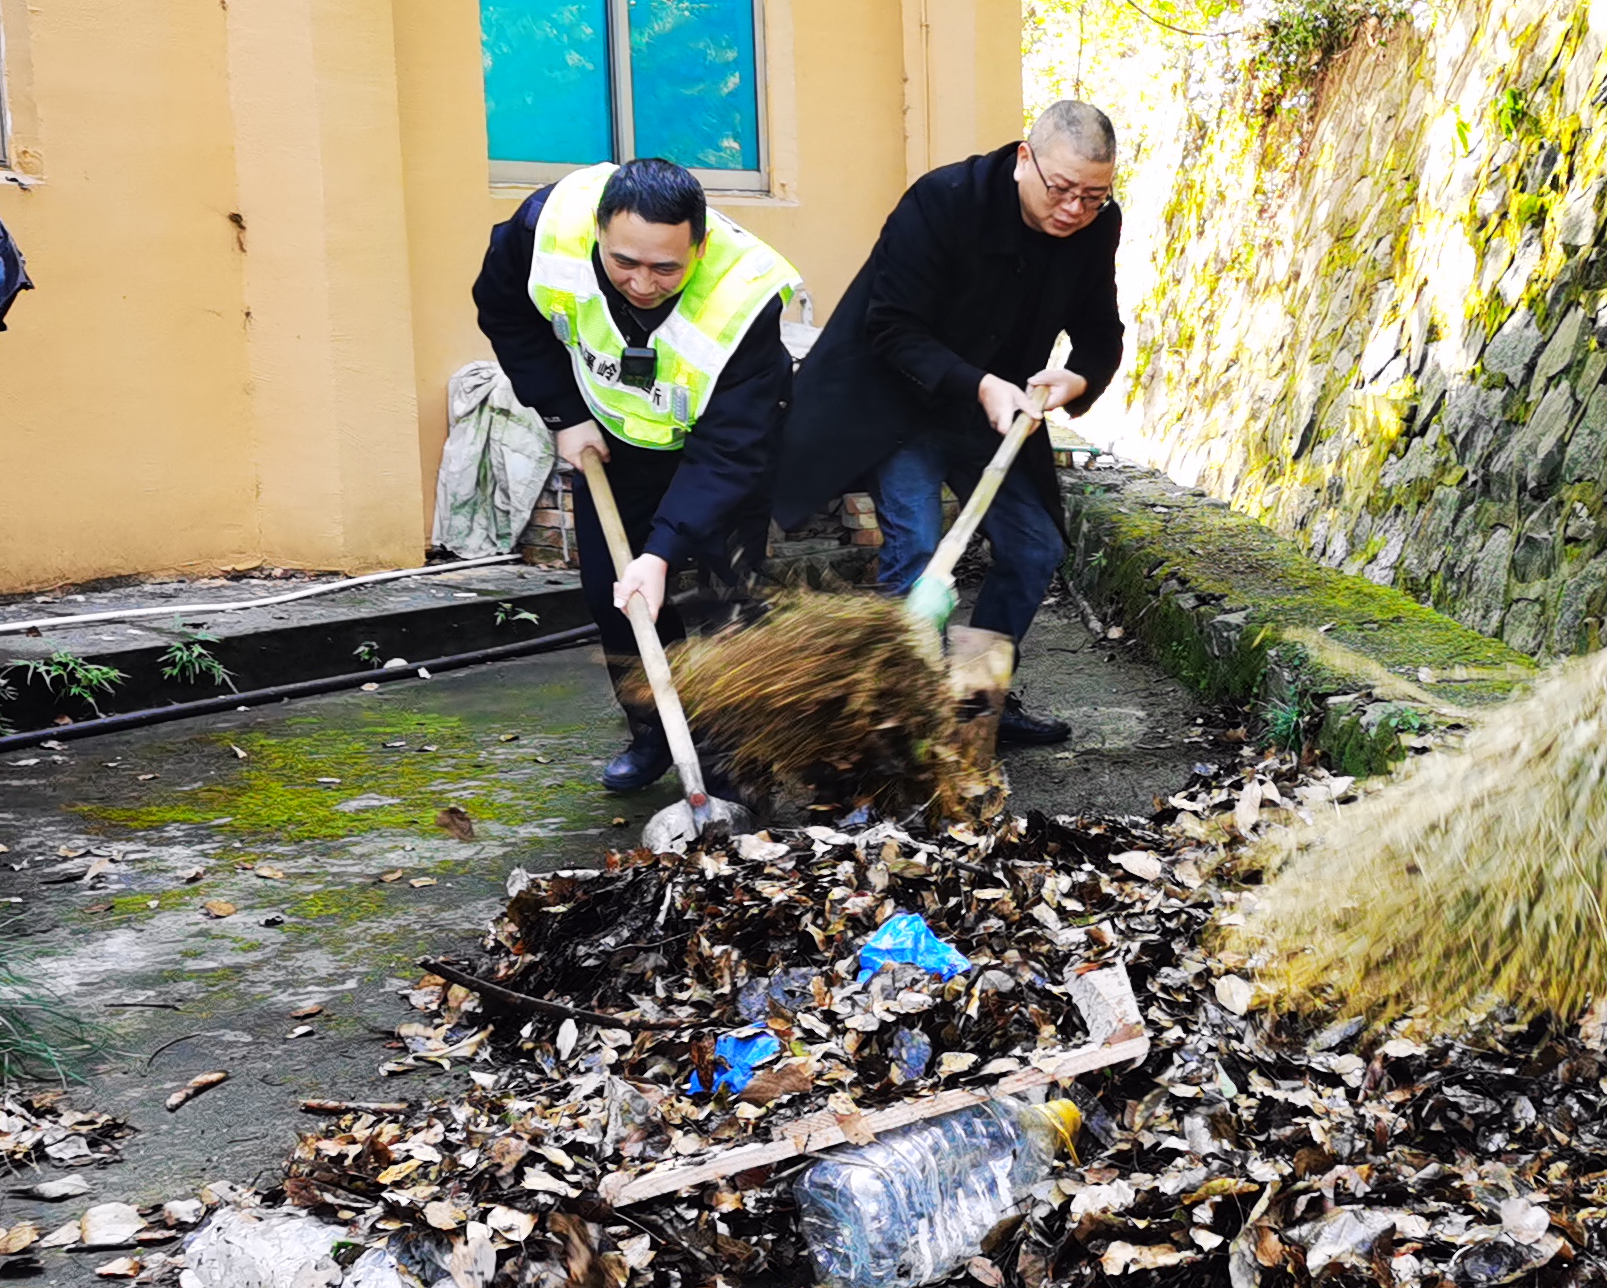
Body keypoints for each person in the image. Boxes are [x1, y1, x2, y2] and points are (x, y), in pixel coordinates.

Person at [773, 100, 1126, 751]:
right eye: (1061, 189)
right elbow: (890, 327)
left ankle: (974, 703)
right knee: (916, 556)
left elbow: (1101, 329)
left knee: (1034, 548)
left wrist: (1077, 379)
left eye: (1093, 197)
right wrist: (979, 383)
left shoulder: (1096, 226)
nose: (1075, 210)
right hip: (902, 404)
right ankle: (906, 730)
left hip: (997, 411)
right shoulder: (943, 202)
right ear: (1024, 159)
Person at [472, 155, 802, 792]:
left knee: (727, 602)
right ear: (599, 231)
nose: (642, 283)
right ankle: (655, 730)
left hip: (713, 451)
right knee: (614, 597)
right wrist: (564, 413)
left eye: (665, 268)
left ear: (699, 247)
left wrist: (662, 551)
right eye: (624, 262)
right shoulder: (547, 230)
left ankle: (734, 754)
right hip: (610, 438)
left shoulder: (743, 300)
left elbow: (731, 450)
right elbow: (504, 310)